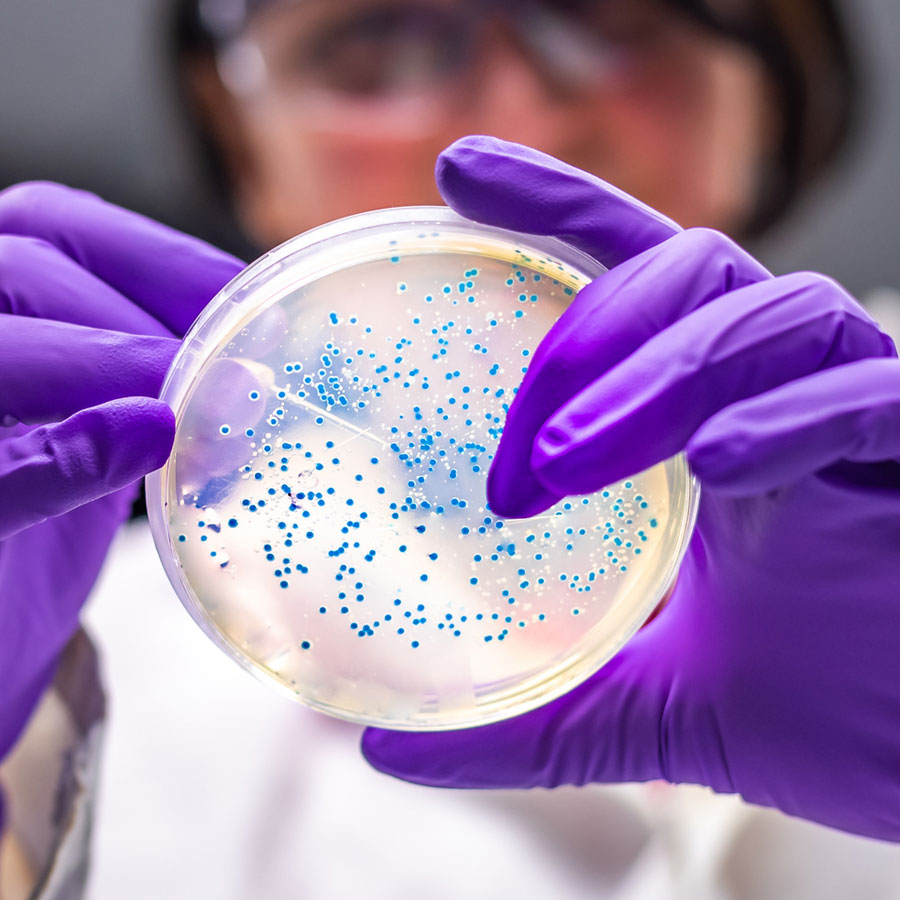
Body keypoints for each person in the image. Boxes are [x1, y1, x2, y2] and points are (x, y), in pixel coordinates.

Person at [0, 1, 898, 897]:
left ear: (773, 97)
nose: (522, 118)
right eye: (373, 42)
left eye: (623, 18)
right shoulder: (119, 654)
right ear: (243, 137)